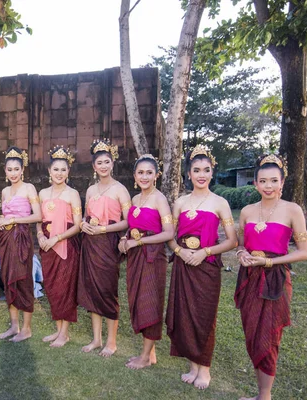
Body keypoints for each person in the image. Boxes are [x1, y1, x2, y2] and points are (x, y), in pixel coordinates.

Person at [235, 154, 307, 400]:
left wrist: (268, 261)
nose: (268, 186)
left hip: (276, 279)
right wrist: (241, 254)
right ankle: (260, 395)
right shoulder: (246, 211)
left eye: (273, 181)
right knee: (253, 334)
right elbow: (241, 245)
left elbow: (304, 253)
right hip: (249, 278)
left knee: (269, 337)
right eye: (263, 181)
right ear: (255, 183)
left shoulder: (292, 210)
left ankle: (265, 396)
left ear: (282, 183)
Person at [166, 144, 237, 389]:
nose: (201, 175)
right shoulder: (180, 203)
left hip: (207, 267)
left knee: (205, 316)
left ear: (212, 171)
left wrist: (204, 252)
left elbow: (232, 240)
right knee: (185, 313)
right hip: (183, 265)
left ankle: (204, 369)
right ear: (188, 173)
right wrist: (180, 251)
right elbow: (170, 236)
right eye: (196, 170)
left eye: (206, 170)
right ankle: (193, 366)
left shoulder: (220, 203)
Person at [118, 154, 174, 370]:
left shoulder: (159, 199)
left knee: (150, 301)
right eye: (140, 172)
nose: (144, 176)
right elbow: (133, 227)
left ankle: (144, 357)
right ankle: (150, 353)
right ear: (134, 175)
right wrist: (126, 239)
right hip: (135, 257)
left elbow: (168, 232)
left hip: (152, 257)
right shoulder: (134, 200)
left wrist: (138, 243)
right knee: (139, 300)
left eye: (149, 172)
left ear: (156, 175)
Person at [77, 139, 131, 357]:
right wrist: (83, 224)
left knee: (107, 290)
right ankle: (96, 339)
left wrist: (104, 230)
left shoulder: (120, 190)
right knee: (92, 289)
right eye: (99, 162)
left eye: (107, 161)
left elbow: (128, 221)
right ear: (94, 166)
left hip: (108, 244)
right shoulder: (90, 190)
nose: (103, 166)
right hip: (90, 244)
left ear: (112, 163)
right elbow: (85, 216)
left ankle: (111, 341)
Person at [0, 147, 42, 342]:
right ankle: (14, 325)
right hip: (6, 240)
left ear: (22, 170)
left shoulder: (29, 188)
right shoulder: (5, 191)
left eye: (17, 169)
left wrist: (14, 219)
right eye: (9, 169)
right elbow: (4, 217)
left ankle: (26, 328)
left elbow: (38, 216)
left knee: (23, 280)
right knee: (8, 279)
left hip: (22, 238)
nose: (13, 173)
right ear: (5, 171)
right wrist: (1, 220)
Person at [37, 146, 82, 348]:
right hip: (46, 244)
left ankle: (64, 333)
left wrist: (57, 238)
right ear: (49, 171)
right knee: (52, 286)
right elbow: (39, 219)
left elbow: (79, 225)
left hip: (66, 245)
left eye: (63, 170)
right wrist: (39, 234)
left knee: (65, 287)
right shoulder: (43, 193)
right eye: (56, 169)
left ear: (68, 172)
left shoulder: (73, 194)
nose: (59, 173)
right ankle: (57, 329)